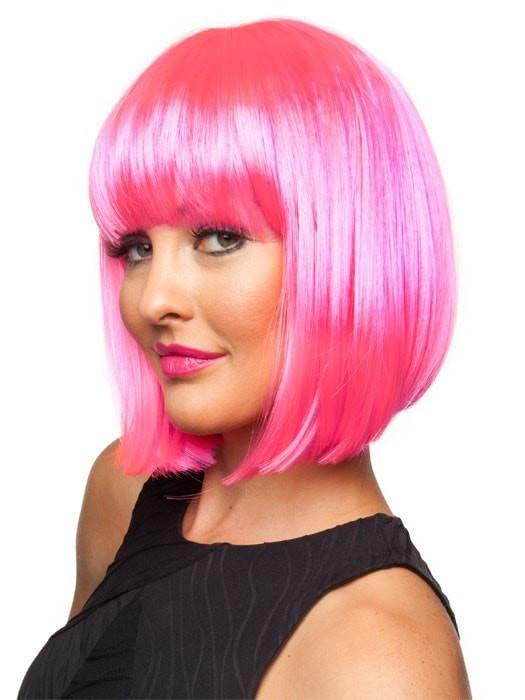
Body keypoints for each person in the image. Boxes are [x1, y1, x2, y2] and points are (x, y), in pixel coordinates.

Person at [18, 16, 471, 699]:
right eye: (136, 248)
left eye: (219, 238)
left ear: (348, 260)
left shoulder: (377, 654)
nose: (152, 299)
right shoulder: (123, 491)